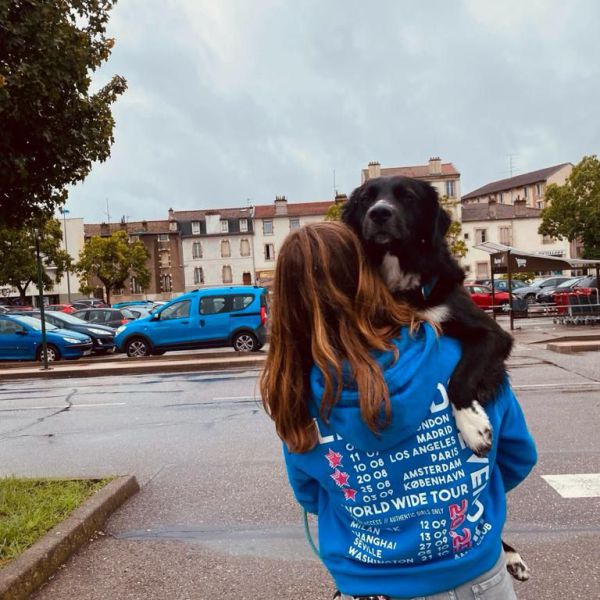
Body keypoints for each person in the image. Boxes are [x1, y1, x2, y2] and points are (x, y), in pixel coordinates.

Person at [260, 222, 537, 600]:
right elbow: (518, 455)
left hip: (371, 584)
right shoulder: (459, 355)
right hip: (476, 575)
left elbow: (309, 494)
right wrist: (450, 498)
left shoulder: (295, 391)